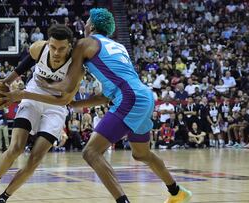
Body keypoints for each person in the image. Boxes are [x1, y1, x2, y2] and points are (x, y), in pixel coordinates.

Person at [31, 8, 192, 203]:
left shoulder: (85, 43)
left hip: (130, 98)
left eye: (88, 21)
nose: (86, 24)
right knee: (141, 154)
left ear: (92, 25)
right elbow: (106, 95)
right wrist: (77, 103)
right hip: (145, 96)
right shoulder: (118, 46)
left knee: (90, 152)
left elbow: (67, 84)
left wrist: (43, 84)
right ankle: (177, 192)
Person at [0, 24, 82, 203]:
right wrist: (4, 84)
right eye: (53, 47)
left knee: (35, 159)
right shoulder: (39, 48)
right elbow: (23, 66)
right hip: (32, 98)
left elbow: (64, 101)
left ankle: (4, 197)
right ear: (48, 43)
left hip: (55, 107)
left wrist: (22, 94)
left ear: (70, 46)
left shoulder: (77, 66)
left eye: (61, 48)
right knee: (16, 148)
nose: (56, 52)